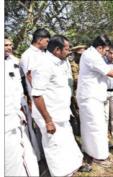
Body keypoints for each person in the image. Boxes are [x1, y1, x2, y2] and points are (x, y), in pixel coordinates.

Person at [31, 35, 84, 176]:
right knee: (54, 147)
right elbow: (37, 95)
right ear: (56, 50)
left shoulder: (61, 61)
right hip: (50, 116)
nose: (69, 52)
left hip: (62, 113)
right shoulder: (44, 64)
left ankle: (70, 171)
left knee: (66, 144)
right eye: (66, 49)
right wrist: (48, 121)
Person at [76, 35, 113, 167]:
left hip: (92, 97)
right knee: (97, 127)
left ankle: (90, 152)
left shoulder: (91, 54)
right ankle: (99, 157)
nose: (106, 53)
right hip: (91, 97)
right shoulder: (92, 56)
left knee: (90, 127)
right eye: (106, 50)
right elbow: (110, 72)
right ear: (100, 47)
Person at [5, 38, 39, 176]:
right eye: (6, 45)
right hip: (8, 112)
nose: (9, 47)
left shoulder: (14, 61)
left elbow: (23, 81)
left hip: (20, 104)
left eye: (10, 45)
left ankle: (36, 159)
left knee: (28, 133)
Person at [19, 28, 51, 161]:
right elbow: (30, 76)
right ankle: (42, 157)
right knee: (43, 127)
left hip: (47, 95)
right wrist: (34, 99)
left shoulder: (43, 53)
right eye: (47, 41)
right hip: (38, 96)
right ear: (39, 40)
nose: (48, 43)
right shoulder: (28, 55)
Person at [69, 44, 87, 136]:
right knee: (77, 111)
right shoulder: (73, 65)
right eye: (80, 54)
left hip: (83, 90)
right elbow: (76, 80)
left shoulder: (84, 64)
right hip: (76, 91)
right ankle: (80, 131)